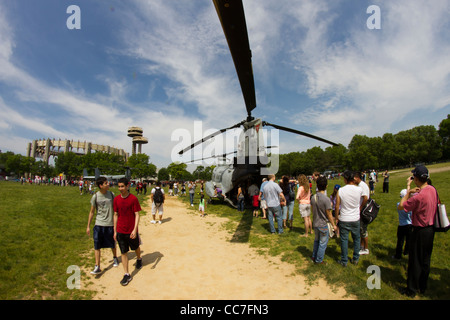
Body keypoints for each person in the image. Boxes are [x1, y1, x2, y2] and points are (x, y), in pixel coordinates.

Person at [398, 165, 437, 297]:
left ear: (416, 178)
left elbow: (402, 206)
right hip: (430, 230)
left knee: (415, 261)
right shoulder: (432, 189)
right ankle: (422, 286)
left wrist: (408, 192)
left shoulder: (418, 196)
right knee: (425, 260)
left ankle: (411, 289)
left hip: (419, 230)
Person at [113, 177, 143, 286]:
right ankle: (126, 274)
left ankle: (139, 258)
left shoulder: (133, 199)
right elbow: (115, 215)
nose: (120, 188)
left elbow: (137, 214)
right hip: (120, 230)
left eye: (122, 186)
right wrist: (115, 231)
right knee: (123, 252)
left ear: (127, 186)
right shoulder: (116, 199)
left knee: (136, 248)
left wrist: (135, 229)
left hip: (131, 230)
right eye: (119, 186)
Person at [86, 177, 119, 274]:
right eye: (105, 183)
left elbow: (115, 211)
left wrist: (116, 224)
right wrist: (88, 226)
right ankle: (97, 266)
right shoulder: (95, 196)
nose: (108, 184)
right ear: (101, 186)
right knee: (97, 245)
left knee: (112, 243)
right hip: (99, 224)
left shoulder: (112, 195)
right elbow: (92, 212)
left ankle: (115, 257)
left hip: (110, 224)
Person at [335, 170, 362, 267]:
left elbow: (337, 205)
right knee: (356, 239)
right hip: (355, 218)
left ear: (346, 179)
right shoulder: (359, 189)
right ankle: (355, 258)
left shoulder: (341, 190)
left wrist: (336, 216)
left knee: (344, 240)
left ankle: (344, 260)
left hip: (344, 218)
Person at [311, 176, 337, 264]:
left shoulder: (313, 197)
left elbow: (313, 210)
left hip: (315, 223)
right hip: (323, 224)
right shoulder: (326, 199)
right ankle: (319, 260)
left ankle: (314, 256)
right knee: (323, 243)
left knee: (316, 241)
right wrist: (334, 225)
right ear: (326, 186)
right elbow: (329, 214)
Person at [393, 189, 412, 260]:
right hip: (410, 225)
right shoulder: (411, 206)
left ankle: (398, 255)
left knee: (400, 241)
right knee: (409, 240)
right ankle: (406, 252)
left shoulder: (398, 205)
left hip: (402, 225)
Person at [354, 171, 370, 256]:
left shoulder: (361, 186)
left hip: (363, 210)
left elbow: (365, 198)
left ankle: (366, 249)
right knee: (361, 229)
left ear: (357, 177)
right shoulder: (362, 185)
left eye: (354, 178)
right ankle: (362, 246)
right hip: (363, 209)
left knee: (363, 230)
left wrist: (360, 208)